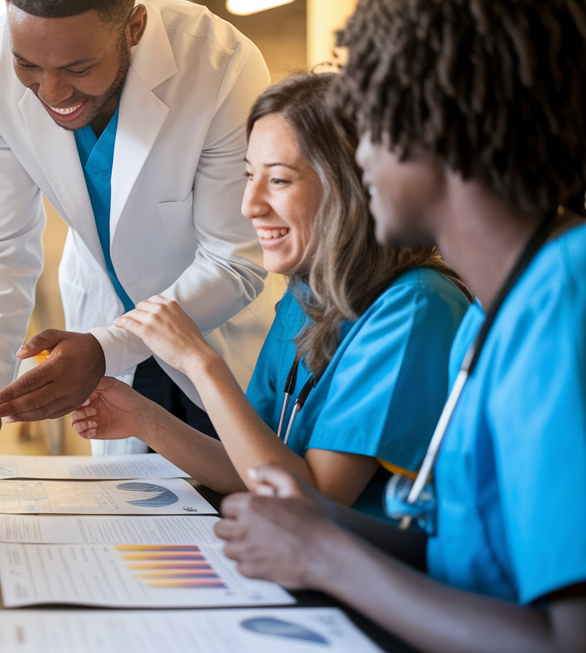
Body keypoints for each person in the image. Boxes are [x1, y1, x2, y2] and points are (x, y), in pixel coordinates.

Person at [213, 0, 586, 651]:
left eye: (372, 119)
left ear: (439, 120)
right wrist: (318, 522)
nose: (360, 155)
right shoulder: (492, 312)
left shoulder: (563, 303)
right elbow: (460, 562)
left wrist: (326, 555)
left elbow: (565, 641)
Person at [0, 0, 276, 494]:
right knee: (125, 521)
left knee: (241, 512)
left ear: (133, 27)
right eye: (29, 66)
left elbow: (234, 259)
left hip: (215, 336)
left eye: (79, 67)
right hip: (99, 326)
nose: (53, 92)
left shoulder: (220, 65)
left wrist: (106, 347)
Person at [69, 72, 471, 516]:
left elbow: (313, 501)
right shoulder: (306, 297)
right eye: (249, 176)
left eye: (278, 180)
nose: (250, 205)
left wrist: (198, 362)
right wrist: (142, 418)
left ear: (351, 187)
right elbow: (254, 468)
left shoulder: (414, 308)